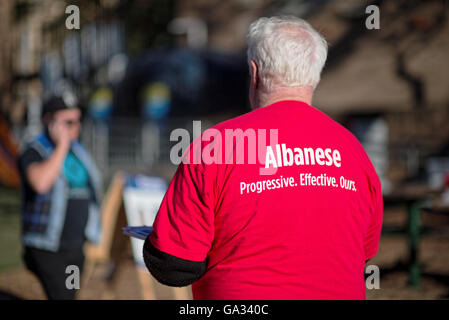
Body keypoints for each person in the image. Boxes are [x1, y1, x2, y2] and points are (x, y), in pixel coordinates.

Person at [142, 16, 383, 299]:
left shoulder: (216, 147)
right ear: (314, 75)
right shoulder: (353, 150)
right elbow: (362, 253)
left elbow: (173, 265)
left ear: (254, 73)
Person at [18, 93, 102, 300]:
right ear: (49, 120)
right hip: (47, 245)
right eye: (68, 122)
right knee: (62, 296)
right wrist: (62, 145)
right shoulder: (34, 150)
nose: (75, 127)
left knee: (70, 295)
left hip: (75, 246)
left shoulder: (79, 151)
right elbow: (40, 183)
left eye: (78, 120)